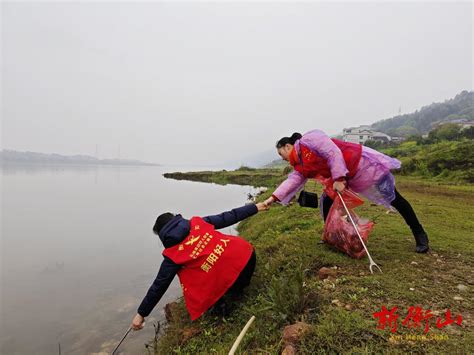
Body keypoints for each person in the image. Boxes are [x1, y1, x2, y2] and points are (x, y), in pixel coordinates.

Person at [263, 129, 429, 253]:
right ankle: (333, 236)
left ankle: (419, 232)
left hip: (361, 166)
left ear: (287, 146)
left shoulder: (310, 139)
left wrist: (339, 179)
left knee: (395, 198)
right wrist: (273, 198)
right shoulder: (299, 165)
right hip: (343, 176)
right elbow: (293, 181)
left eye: (280, 153)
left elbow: (332, 153)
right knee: (327, 201)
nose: (281, 158)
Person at [130, 202, 268, 330]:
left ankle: (221, 306)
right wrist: (256, 207)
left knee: (197, 275)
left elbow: (159, 285)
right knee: (211, 263)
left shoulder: (172, 256)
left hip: (235, 276)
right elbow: (228, 216)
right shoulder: (198, 222)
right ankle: (238, 288)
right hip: (248, 257)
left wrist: (141, 314)